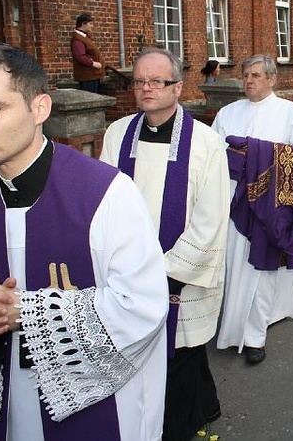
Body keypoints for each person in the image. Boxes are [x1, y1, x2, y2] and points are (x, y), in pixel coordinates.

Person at [0, 44, 168, 440]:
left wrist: (28, 313)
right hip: (5, 396)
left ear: (40, 109)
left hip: (95, 401)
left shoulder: (106, 193)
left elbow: (143, 305)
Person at [100, 47, 229, 441]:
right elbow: (102, 204)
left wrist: (170, 273)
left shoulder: (206, 143)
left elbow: (210, 219)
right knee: (136, 354)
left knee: (182, 354)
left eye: (157, 81)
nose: (146, 88)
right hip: (128, 272)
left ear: (177, 87)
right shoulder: (117, 134)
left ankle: (178, 428)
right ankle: (200, 407)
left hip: (178, 277)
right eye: (139, 81)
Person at [212, 54, 293, 364]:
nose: (248, 80)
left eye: (256, 75)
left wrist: (258, 156)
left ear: (272, 79)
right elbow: (210, 154)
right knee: (232, 268)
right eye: (246, 75)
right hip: (232, 203)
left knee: (260, 273)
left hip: (269, 207)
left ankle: (255, 336)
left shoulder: (291, 113)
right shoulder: (227, 113)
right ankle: (228, 326)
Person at [70, 13, 105, 93]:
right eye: (90, 24)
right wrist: (93, 63)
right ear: (83, 24)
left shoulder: (84, 37)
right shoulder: (77, 39)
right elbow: (80, 57)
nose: (91, 26)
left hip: (93, 76)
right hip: (87, 77)